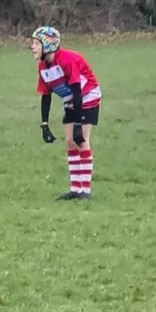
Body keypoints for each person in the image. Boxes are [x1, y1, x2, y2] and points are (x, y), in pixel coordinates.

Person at [31, 26, 102, 200]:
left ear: (48, 45)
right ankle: (75, 189)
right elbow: (46, 95)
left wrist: (78, 123)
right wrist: (44, 125)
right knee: (70, 142)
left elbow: (77, 90)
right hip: (72, 99)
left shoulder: (67, 60)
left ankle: (85, 190)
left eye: (36, 43)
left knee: (81, 140)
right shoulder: (43, 67)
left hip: (86, 95)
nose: (32, 47)